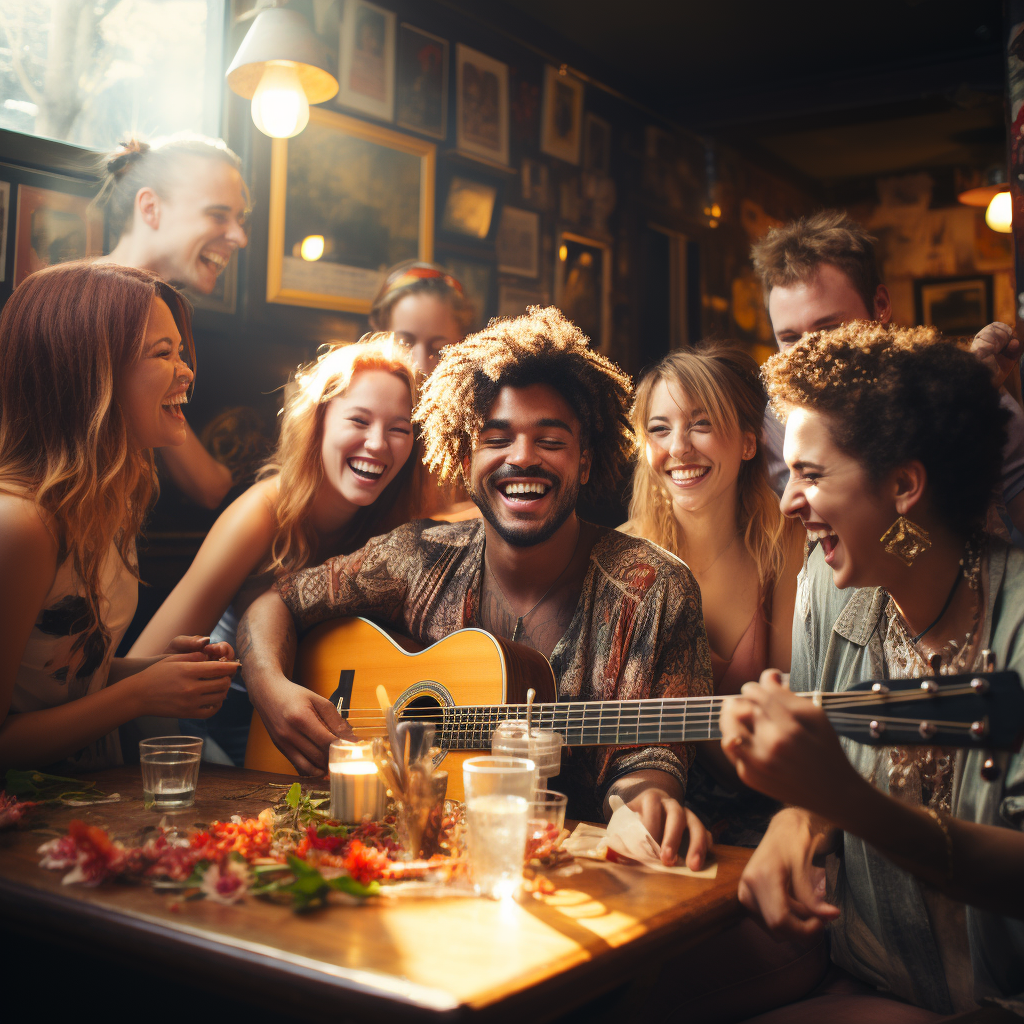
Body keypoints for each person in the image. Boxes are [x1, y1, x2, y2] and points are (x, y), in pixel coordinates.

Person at [236, 306, 714, 868]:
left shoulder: (654, 588)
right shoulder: (416, 556)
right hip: (408, 861)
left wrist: (650, 803)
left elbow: (651, 755)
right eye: (497, 437)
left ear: (586, 462)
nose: (522, 458)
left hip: (562, 879)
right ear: (466, 459)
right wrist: (271, 687)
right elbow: (277, 602)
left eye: (551, 441)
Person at [719, 322, 1024, 1021]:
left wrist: (843, 803)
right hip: (871, 982)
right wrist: (798, 816)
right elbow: (820, 783)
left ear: (904, 485)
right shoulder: (829, 587)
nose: (789, 503)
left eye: (812, 474)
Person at [129, 335, 419, 766]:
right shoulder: (262, 512)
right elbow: (145, 665)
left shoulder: (400, 522)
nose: (378, 444)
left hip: (319, 734)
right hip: (215, 729)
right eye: (359, 421)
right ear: (318, 423)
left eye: (399, 428)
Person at [0, 262, 237, 772]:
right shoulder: (19, 524)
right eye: (163, 354)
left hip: (93, 804)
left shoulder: (109, 500)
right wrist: (139, 696)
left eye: (181, 352)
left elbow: (58, 679)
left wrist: (154, 674)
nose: (187, 371)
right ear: (90, 374)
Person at [621, 345, 803, 845]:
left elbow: (791, 708)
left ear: (748, 442)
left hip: (770, 812)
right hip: (651, 818)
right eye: (659, 429)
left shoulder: (786, 542)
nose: (678, 448)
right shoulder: (620, 556)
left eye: (700, 424)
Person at [750, 210, 1024, 539]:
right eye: (791, 339)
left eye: (828, 330)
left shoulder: (968, 390)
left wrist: (963, 401)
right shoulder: (775, 423)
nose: (810, 354)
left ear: (880, 305)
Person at [94, 134, 251, 510]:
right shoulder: (86, 308)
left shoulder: (162, 307)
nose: (240, 237)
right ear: (150, 207)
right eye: (217, 215)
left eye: (240, 220)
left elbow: (208, 485)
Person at [368, 260, 479, 521]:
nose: (418, 364)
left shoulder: (474, 428)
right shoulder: (350, 417)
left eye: (438, 350)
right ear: (379, 336)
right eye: (405, 343)